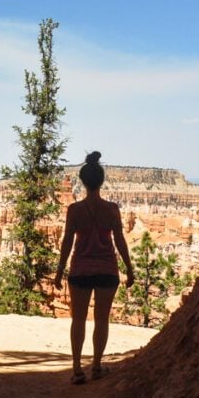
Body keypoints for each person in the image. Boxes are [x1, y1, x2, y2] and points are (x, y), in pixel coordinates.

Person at [54, 151, 135, 385]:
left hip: (80, 270)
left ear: (82, 181)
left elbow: (67, 241)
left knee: (77, 320)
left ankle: (77, 369)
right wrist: (129, 268)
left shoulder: (74, 210)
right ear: (101, 180)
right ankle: (97, 366)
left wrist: (60, 271)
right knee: (101, 320)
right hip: (107, 270)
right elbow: (120, 240)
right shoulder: (111, 209)